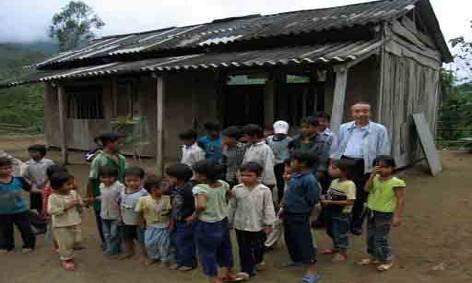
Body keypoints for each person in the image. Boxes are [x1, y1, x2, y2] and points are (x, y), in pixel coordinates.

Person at [330, 102, 391, 235]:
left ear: (370, 113)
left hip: (365, 164)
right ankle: (339, 221)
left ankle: (356, 223)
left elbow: (384, 149)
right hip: (345, 162)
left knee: (360, 195)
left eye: (365, 111)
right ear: (352, 113)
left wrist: (380, 167)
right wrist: (334, 161)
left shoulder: (379, 129)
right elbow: (337, 146)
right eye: (357, 111)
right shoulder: (344, 127)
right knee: (341, 191)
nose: (361, 114)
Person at [192, 160, 239, 283]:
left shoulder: (200, 188)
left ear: (203, 176)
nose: (194, 176)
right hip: (222, 221)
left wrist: (194, 216)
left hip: (207, 224)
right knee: (225, 248)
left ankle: (214, 278)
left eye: (196, 173)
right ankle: (227, 273)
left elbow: (201, 206)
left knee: (207, 252)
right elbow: (231, 194)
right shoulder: (223, 184)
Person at [228, 162, 276, 280]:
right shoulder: (236, 189)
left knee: (259, 247)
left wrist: (269, 223)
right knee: (243, 248)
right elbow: (232, 206)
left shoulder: (264, 190)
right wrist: (228, 220)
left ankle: (258, 260)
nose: (244, 178)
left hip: (258, 225)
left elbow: (268, 207)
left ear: (258, 176)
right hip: (241, 225)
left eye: (249, 175)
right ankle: (247, 270)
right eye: (242, 175)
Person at [359, 156, 406, 272]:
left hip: (385, 214)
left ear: (392, 168)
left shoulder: (396, 182)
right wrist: (372, 176)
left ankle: (387, 259)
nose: (382, 170)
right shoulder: (374, 179)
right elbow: (366, 189)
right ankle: (374, 256)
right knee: (370, 237)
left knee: (380, 238)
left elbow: (400, 199)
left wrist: (397, 216)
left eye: (386, 167)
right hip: (371, 211)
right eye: (379, 167)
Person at [282, 151, 321, 283]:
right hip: (289, 212)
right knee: (290, 238)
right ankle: (297, 260)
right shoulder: (295, 176)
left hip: (300, 214)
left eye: (293, 161)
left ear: (302, 164)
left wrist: (304, 208)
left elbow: (313, 198)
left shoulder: (309, 179)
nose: (290, 164)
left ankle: (312, 271)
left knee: (304, 241)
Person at [87, 132, 128, 248]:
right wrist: (90, 196)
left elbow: (125, 175)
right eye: (118, 143)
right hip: (102, 194)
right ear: (109, 143)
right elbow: (91, 178)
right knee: (102, 218)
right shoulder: (99, 160)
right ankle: (106, 242)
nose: (120, 145)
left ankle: (118, 242)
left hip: (118, 193)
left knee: (119, 217)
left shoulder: (121, 158)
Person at [320, 160, 356, 262]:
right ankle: (336, 247)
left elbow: (350, 201)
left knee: (340, 232)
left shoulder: (350, 184)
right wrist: (324, 198)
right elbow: (329, 194)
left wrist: (330, 202)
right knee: (330, 230)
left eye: (334, 168)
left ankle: (342, 252)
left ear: (344, 171)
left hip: (342, 213)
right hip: (330, 211)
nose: (330, 170)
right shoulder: (334, 182)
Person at [48, 171, 84, 271]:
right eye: (68, 184)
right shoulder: (53, 197)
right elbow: (51, 211)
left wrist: (80, 204)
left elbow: (80, 203)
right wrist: (66, 207)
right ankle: (66, 259)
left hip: (75, 221)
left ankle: (66, 249)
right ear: (58, 186)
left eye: (72, 183)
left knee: (77, 239)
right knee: (65, 243)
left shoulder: (73, 193)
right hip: (61, 225)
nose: (72, 186)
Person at [165, 163, 197, 271]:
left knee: (185, 241)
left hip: (185, 220)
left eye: (169, 177)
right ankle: (179, 261)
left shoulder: (188, 190)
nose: (167, 179)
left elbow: (195, 205)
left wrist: (192, 217)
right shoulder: (174, 187)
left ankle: (189, 263)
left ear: (177, 178)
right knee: (175, 240)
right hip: (175, 218)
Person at [0, 157, 35, 254]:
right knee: (5, 230)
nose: (7, 170)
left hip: (20, 210)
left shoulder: (18, 179)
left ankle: (29, 245)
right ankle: (6, 246)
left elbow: (30, 189)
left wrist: (43, 192)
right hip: (3, 212)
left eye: (9, 168)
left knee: (25, 228)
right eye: (4, 168)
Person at [136, 175, 173, 266]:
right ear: (153, 189)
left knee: (164, 243)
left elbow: (171, 212)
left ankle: (164, 259)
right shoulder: (143, 200)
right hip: (150, 226)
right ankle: (153, 257)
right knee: (149, 243)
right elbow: (139, 212)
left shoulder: (167, 199)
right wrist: (141, 223)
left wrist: (171, 223)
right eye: (162, 186)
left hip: (164, 225)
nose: (165, 188)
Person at [119, 166, 148, 260]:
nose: (132, 183)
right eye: (128, 180)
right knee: (127, 237)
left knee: (141, 239)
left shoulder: (144, 193)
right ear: (124, 180)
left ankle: (144, 255)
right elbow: (120, 203)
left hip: (138, 222)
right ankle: (129, 251)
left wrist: (143, 221)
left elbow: (146, 208)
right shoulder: (123, 190)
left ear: (142, 180)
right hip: (126, 220)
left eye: (135, 180)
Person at [97, 166, 124, 257]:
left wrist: (121, 215)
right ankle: (111, 249)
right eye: (103, 177)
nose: (107, 180)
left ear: (115, 177)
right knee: (107, 234)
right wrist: (96, 199)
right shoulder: (101, 186)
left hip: (116, 215)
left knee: (114, 234)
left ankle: (114, 249)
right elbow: (103, 197)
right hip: (104, 215)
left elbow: (123, 200)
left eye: (110, 177)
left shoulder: (119, 187)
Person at [266, 121, 293, 204]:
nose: (280, 135)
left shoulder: (290, 141)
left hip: (283, 164)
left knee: (281, 184)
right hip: (272, 163)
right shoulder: (269, 139)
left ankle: (280, 200)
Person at [23, 144, 55, 215]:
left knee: (49, 201)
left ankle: (49, 214)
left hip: (48, 185)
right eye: (30, 152)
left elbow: (52, 173)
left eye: (34, 152)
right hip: (35, 186)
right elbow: (26, 175)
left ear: (41, 153)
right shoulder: (28, 164)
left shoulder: (49, 162)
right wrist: (33, 182)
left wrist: (45, 182)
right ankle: (41, 215)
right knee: (37, 203)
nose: (32, 154)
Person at [242, 124, 276, 188]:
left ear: (254, 136)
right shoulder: (250, 147)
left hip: (260, 182)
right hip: (248, 180)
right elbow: (244, 163)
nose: (245, 138)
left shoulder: (265, 148)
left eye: (246, 136)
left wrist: (268, 183)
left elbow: (268, 166)